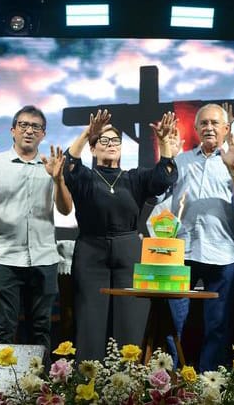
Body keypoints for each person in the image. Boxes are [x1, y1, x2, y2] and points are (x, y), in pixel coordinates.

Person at [64, 109, 177, 362]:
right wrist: (87, 133)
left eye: (115, 140)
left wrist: (164, 142)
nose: (110, 144)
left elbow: (164, 177)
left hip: (128, 251)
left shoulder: (134, 178)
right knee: (90, 320)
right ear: (93, 149)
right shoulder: (85, 178)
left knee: (131, 320)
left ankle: (126, 378)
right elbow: (69, 166)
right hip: (91, 252)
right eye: (103, 140)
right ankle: (88, 377)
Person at [0, 107, 72, 356]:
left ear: (43, 134)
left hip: (43, 258)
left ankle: (40, 379)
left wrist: (58, 179)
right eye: (23, 125)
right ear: (13, 130)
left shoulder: (51, 165)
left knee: (40, 329)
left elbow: (65, 209)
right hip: (6, 258)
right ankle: (3, 381)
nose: (29, 130)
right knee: (4, 328)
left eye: (36, 127)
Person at [168, 103, 234, 372]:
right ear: (196, 128)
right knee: (174, 321)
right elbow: (158, 197)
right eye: (204, 123)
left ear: (226, 128)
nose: (209, 128)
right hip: (182, 251)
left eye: (214, 123)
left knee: (218, 324)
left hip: (222, 253)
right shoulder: (181, 161)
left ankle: (209, 382)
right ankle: (171, 379)